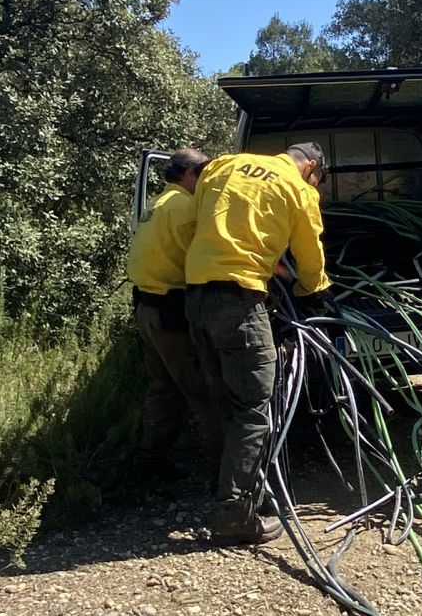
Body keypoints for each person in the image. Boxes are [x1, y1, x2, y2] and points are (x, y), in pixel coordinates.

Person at [183, 142, 332, 545]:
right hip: (240, 302)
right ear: (312, 167)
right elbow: (309, 251)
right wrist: (312, 289)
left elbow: (201, 218)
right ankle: (234, 514)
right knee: (254, 408)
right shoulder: (298, 189)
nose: (315, 183)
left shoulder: (224, 165)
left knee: (226, 400)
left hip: (196, 297)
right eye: (319, 178)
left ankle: (238, 492)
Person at [125, 148, 221, 482]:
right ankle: (225, 479)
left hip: (147, 310)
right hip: (170, 315)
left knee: (164, 389)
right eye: (204, 174)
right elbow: (206, 255)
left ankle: (150, 465)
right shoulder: (185, 207)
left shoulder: (158, 204)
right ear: (190, 175)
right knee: (206, 392)